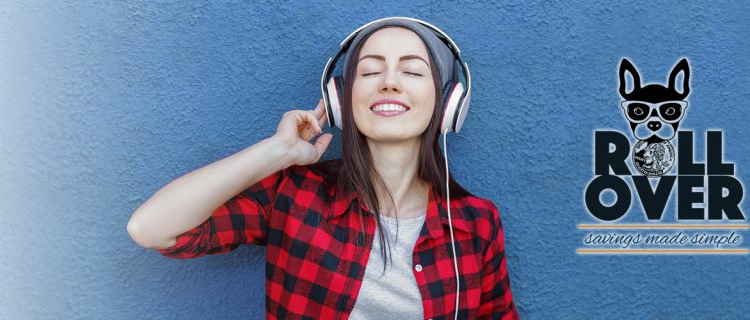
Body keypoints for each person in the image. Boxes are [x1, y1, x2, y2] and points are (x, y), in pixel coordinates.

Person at [127, 17, 519, 319]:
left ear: (449, 103)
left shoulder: (475, 224)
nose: (389, 83)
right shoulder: (294, 195)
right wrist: (276, 152)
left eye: (412, 71)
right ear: (340, 99)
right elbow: (151, 228)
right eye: (370, 71)